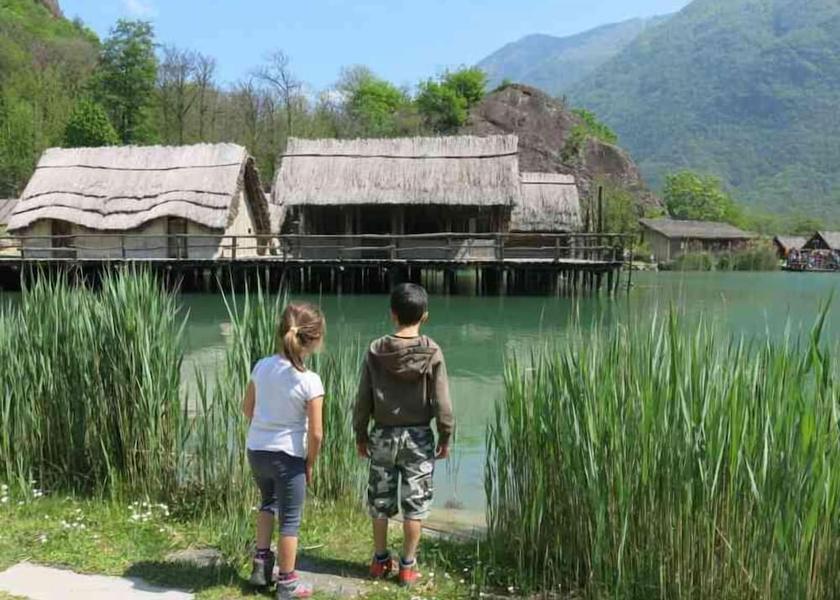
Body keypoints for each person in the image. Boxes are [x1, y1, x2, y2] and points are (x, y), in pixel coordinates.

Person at [354, 283, 455, 588]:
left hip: (383, 435)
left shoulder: (376, 350)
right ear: (425, 316)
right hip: (419, 438)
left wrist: (360, 433)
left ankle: (380, 559)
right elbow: (443, 402)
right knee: (416, 505)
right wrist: (445, 435)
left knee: (379, 501)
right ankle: (408, 567)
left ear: (393, 314)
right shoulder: (432, 351)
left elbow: (363, 399)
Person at [243, 302, 326, 600]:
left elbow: (247, 409)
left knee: (268, 504)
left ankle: (261, 565)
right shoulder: (310, 381)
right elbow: (316, 433)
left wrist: (266, 428)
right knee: (290, 520)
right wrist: (310, 463)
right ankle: (287, 583)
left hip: (257, 451)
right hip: (287, 457)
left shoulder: (261, 366)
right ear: (314, 339)